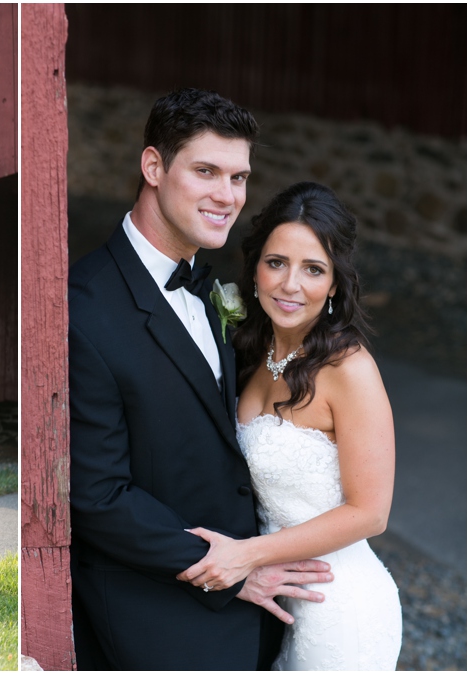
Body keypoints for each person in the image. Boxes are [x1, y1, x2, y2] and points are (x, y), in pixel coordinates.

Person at [68, 88, 334, 670]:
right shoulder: (83, 310)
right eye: (206, 171)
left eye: (238, 178)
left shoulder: (211, 289)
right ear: (154, 167)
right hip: (160, 621)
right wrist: (231, 572)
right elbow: (96, 496)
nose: (227, 196)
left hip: (258, 612)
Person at [176, 182, 402, 669]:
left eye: (313, 269)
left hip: (337, 608)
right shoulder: (250, 352)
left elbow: (370, 513)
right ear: (255, 268)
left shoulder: (349, 369)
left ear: (335, 283)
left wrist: (247, 555)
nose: (290, 284)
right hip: (272, 606)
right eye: (277, 262)